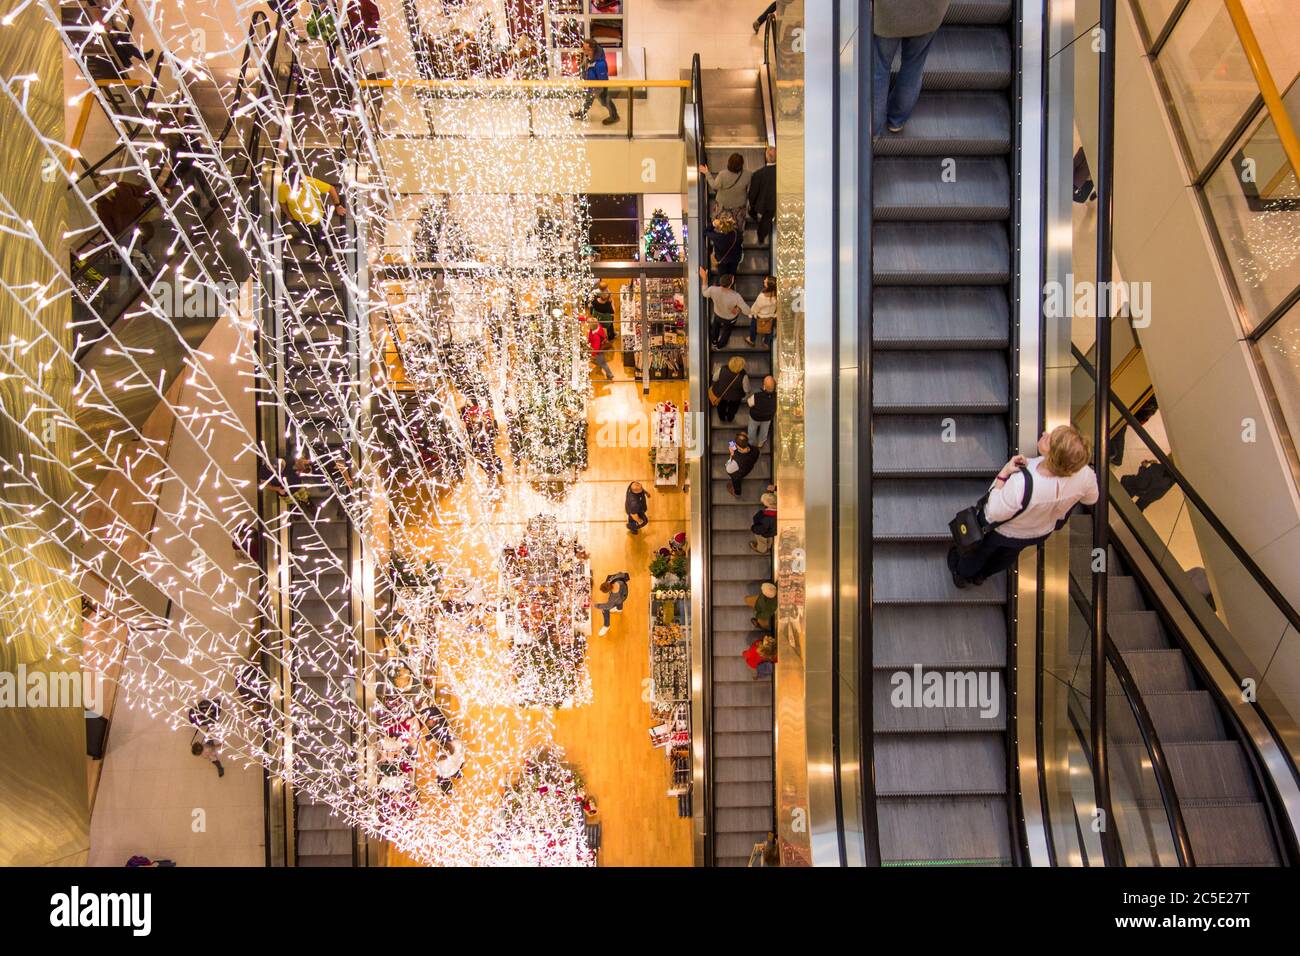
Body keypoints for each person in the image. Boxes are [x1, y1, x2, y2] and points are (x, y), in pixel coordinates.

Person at [948, 424, 1099, 588]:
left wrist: (1004, 473)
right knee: (1007, 556)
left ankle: (961, 574)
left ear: (1053, 456)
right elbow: (1091, 499)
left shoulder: (1022, 484)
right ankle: (982, 575)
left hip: (1003, 530)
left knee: (977, 553)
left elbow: (994, 511)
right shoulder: (1085, 476)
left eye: (1048, 439)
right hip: (1037, 532)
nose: (1044, 433)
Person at [873, 1, 951, 135]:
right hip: (930, 12)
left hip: (888, 13)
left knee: (879, 69)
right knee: (914, 67)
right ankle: (896, 120)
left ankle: (873, 129)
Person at [573, 37, 620, 125]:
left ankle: (614, 116)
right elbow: (585, 70)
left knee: (605, 102)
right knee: (588, 100)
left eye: (586, 49)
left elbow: (603, 80)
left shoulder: (600, 64)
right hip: (591, 86)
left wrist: (603, 90)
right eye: (583, 49)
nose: (584, 51)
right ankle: (581, 114)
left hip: (598, 88)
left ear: (592, 50)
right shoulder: (588, 58)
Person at [700, 269, 751, 349]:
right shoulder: (736, 296)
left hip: (718, 314)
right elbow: (747, 311)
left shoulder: (713, 290)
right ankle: (720, 346)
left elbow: (704, 293)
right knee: (726, 331)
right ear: (730, 285)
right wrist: (738, 309)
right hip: (730, 318)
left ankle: (714, 342)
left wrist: (704, 278)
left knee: (715, 327)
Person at [277, 175, 346, 233]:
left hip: (317, 218)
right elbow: (282, 202)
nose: (292, 190)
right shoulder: (283, 188)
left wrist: (337, 205)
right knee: (309, 239)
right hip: (298, 220)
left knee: (323, 236)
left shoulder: (310, 182)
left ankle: (328, 247)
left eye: (295, 187)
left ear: (300, 183)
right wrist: (289, 215)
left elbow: (331, 188)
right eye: (290, 187)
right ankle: (313, 248)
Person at [700, 152, 752, 229]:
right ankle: (736, 237)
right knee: (738, 226)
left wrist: (707, 173)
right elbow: (750, 189)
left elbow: (715, 186)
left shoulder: (722, 175)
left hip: (723, 205)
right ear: (741, 164)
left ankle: (722, 236)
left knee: (721, 226)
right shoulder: (748, 174)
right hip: (739, 206)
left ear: (729, 163)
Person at [747, 146, 777, 244]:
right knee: (768, 215)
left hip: (763, 205)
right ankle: (761, 235)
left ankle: (761, 236)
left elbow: (752, 194)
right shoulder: (781, 173)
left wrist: (753, 206)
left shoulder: (758, 174)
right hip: (775, 204)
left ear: (766, 157)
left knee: (762, 215)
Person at [710, 356, 748, 423]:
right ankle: (730, 418)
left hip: (721, 394)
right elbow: (746, 389)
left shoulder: (722, 369)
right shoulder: (743, 375)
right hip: (735, 397)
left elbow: (714, 378)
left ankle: (722, 418)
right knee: (733, 408)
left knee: (721, 407)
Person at [705, 212, 743, 278]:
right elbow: (741, 240)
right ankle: (731, 284)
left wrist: (713, 224)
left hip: (722, 261)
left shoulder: (718, 237)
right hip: (735, 259)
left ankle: (724, 285)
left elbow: (706, 231)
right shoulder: (737, 234)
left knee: (723, 278)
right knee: (732, 276)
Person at [725, 431, 761, 497]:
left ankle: (737, 493)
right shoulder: (756, 450)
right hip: (749, 467)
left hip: (739, 473)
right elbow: (755, 459)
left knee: (736, 482)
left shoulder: (736, 458)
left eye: (735, 443)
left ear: (738, 447)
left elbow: (728, 469)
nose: (733, 443)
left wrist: (732, 455)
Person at [594, 571, 630, 636]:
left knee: (605, 610)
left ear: (609, 591)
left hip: (621, 597)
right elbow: (621, 574)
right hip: (624, 591)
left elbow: (608, 606)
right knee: (620, 601)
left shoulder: (614, 596)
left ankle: (606, 625)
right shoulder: (614, 580)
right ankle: (619, 609)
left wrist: (596, 605)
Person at [746, 375, 777, 447]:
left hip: (755, 417)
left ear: (764, 387)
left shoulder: (757, 396)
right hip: (768, 418)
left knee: (752, 430)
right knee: (764, 431)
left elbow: (749, 403)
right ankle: (760, 443)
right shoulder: (777, 397)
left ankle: (751, 443)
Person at [747, 275, 777, 347]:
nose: (764, 281)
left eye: (765, 281)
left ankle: (752, 340)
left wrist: (751, 314)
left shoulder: (762, 297)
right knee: (769, 329)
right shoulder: (777, 295)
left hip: (760, 316)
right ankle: (766, 342)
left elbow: (756, 308)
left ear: (768, 286)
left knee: (753, 327)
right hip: (771, 316)